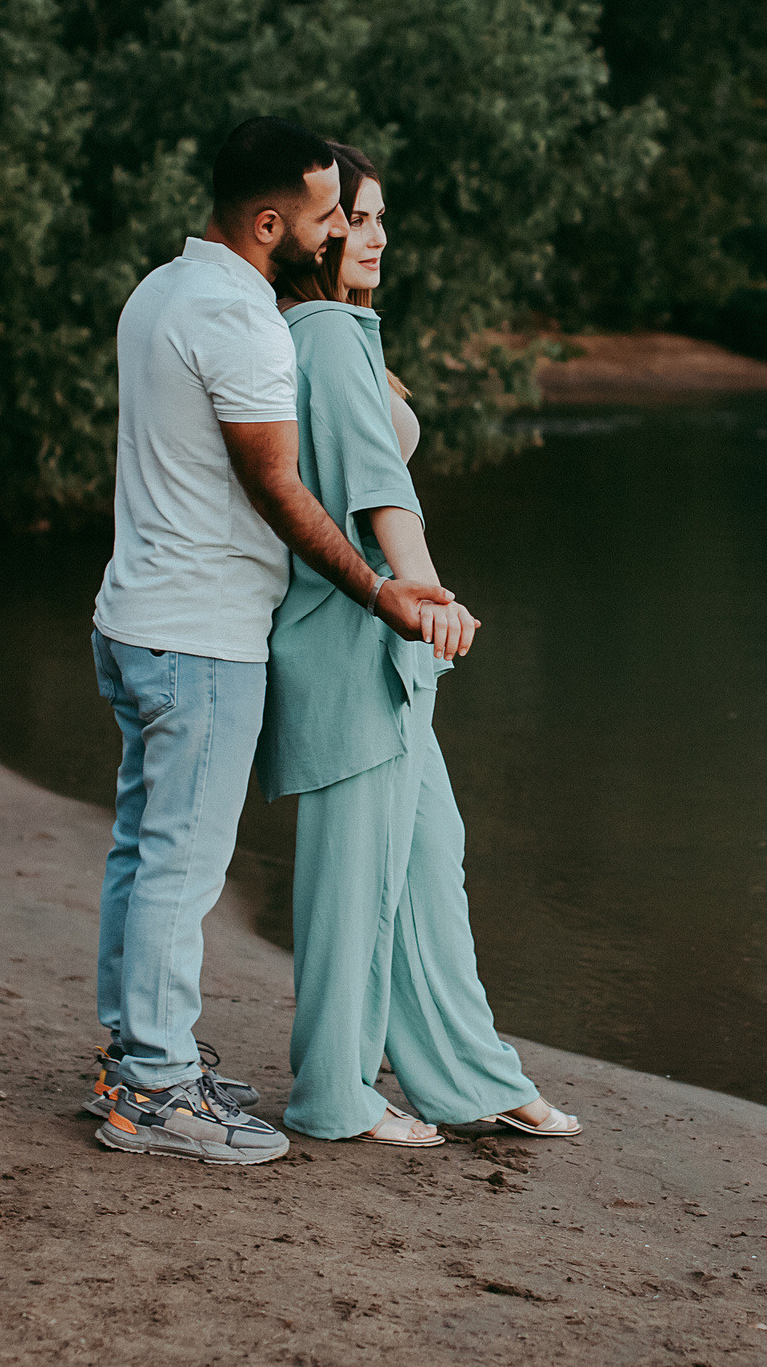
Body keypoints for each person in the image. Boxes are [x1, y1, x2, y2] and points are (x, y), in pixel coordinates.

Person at [88, 116, 459, 1165]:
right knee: (180, 864)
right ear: (268, 223)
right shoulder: (245, 324)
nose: (338, 230)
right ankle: (155, 1091)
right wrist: (386, 593)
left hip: (132, 620)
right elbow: (283, 493)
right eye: (324, 215)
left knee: (141, 850)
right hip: (199, 638)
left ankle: (136, 1058)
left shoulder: (162, 289)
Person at [259, 141, 581, 1146]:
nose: (379, 237)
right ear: (318, 232)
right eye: (362, 220)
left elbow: (372, 451)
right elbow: (376, 488)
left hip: (377, 654)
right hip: (352, 640)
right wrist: (428, 592)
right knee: (354, 885)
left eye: (382, 220)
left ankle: (468, 1077)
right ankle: (333, 1096)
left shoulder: (334, 332)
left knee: (429, 860)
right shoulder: (321, 335)